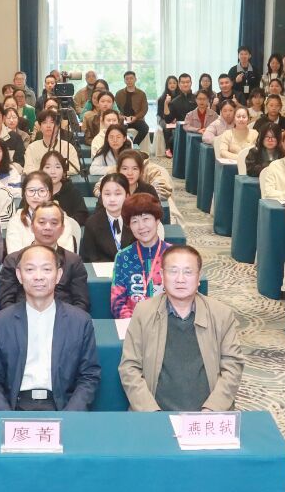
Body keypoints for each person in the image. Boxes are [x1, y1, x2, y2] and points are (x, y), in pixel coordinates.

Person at [121, 245, 243, 412]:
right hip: (154, 413)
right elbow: (129, 367)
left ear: (199, 277)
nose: (180, 279)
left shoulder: (221, 314)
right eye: (173, 271)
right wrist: (151, 412)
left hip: (207, 415)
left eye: (188, 272)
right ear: (162, 275)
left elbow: (233, 366)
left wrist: (212, 409)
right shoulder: (144, 312)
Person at [0, 244, 103, 411]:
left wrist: (70, 417)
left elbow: (89, 376)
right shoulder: (2, 321)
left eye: (46, 269)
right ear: (19, 275)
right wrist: (8, 417)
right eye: (30, 270)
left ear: (58, 275)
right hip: (15, 406)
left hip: (63, 407)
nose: (38, 277)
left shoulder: (80, 321)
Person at [0, 204, 90, 312]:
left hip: (64, 318)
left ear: (62, 229)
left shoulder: (73, 261)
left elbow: (81, 303)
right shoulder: (13, 260)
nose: (47, 227)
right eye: (41, 222)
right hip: (21, 318)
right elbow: (6, 302)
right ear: (32, 226)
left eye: (54, 223)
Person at [109, 193, 171, 318]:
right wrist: (136, 323)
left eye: (146, 219)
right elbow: (117, 303)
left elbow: (184, 299)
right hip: (133, 323)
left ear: (157, 220)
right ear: (129, 226)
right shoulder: (123, 257)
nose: (141, 226)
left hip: (168, 322)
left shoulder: (174, 254)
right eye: (135, 221)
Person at [7, 171, 81, 252]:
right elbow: (14, 256)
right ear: (24, 193)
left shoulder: (63, 220)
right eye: (31, 191)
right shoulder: (15, 221)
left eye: (42, 191)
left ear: (49, 194)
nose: (36, 196)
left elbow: (66, 255)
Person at [80, 173, 133, 262]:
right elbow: (89, 257)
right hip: (101, 270)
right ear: (101, 196)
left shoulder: (135, 220)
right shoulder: (92, 223)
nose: (112, 199)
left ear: (127, 196)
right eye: (107, 194)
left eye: (117, 194)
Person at [41, 152, 90, 222]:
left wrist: (65, 220)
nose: (53, 172)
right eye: (48, 167)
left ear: (63, 171)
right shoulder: (36, 191)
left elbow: (83, 215)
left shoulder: (72, 191)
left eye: (57, 167)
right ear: (41, 170)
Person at [114, 70, 150, 145]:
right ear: (124, 80)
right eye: (127, 79)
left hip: (136, 119)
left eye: (131, 78)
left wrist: (135, 117)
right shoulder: (119, 93)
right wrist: (121, 116)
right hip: (123, 119)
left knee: (145, 128)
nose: (129, 81)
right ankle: (123, 146)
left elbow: (144, 109)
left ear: (135, 79)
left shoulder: (141, 94)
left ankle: (134, 145)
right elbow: (115, 108)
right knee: (119, 130)